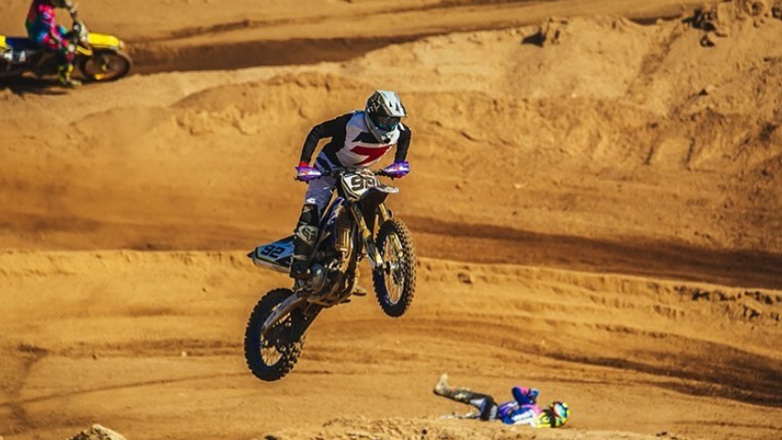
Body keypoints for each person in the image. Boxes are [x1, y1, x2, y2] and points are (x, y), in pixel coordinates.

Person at [290, 90, 412, 279]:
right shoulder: (352, 123)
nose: (389, 126)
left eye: (394, 121)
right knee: (313, 207)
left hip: (359, 170)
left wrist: (399, 163)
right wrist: (305, 165)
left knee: (367, 201)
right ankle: (299, 264)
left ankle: (349, 255)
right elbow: (318, 131)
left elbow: (406, 136)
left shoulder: (399, 131)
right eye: (384, 120)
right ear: (371, 115)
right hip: (329, 165)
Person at [433, 374, 570, 428]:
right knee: (470, 417)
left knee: (487, 401)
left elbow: (516, 390)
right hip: (498, 422)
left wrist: (530, 392)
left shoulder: (532, 408)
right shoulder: (539, 422)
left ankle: (445, 390)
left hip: (497, 421)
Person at [26, 0, 81, 87]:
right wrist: (61, 42)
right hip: (40, 36)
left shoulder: (41, 2)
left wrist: (70, 8)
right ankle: (64, 78)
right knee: (67, 50)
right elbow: (52, 34)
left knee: (62, 29)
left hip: (36, 26)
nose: (60, 4)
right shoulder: (46, 12)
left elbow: (65, 4)